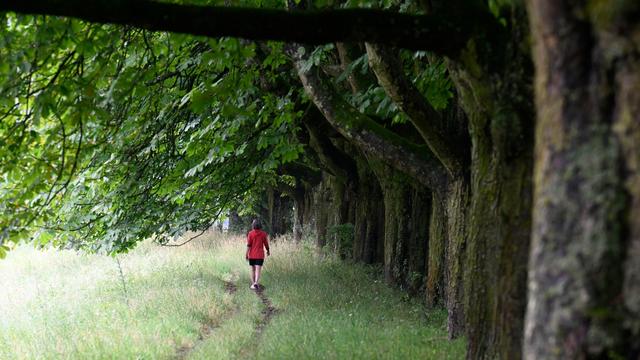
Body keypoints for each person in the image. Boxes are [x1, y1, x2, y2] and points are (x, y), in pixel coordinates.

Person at [246, 219, 270, 290]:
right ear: (260, 225)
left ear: (253, 225)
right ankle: (256, 282)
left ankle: (253, 284)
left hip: (252, 255)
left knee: (252, 270)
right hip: (260, 255)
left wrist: (246, 254)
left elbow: (249, 245)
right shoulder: (263, 234)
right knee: (258, 270)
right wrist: (268, 250)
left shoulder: (250, 233)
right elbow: (266, 244)